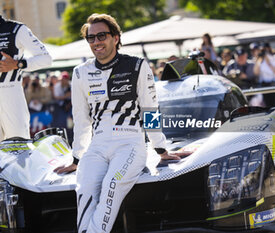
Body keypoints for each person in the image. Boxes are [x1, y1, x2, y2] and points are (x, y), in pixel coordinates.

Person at [54, 13, 179, 233]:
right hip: (97, 145)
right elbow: (81, 119)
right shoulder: (80, 73)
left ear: (116, 37)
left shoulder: (137, 66)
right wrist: (76, 158)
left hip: (130, 143)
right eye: (91, 38)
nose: (96, 42)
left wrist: (160, 148)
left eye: (101, 35)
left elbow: (150, 109)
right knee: (84, 191)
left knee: (112, 185)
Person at [0, 15, 52, 141]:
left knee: (19, 146)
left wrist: (18, 64)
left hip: (10, 92)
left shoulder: (16, 29)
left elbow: (46, 59)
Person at [253, 43, 275, 107]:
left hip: (274, 84)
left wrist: (268, 61)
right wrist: (258, 59)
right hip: (264, 85)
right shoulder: (260, 59)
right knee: (268, 106)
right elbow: (256, 72)